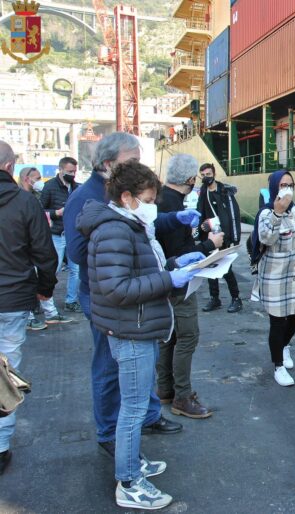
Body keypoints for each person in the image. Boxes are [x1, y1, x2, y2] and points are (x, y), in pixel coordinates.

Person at [77, 159, 203, 509]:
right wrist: (169, 280)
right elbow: (117, 287)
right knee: (132, 409)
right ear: (129, 196)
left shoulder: (127, 224)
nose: (153, 206)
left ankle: (131, 463)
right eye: (148, 198)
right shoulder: (115, 229)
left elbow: (139, 269)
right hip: (130, 328)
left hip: (136, 324)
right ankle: (129, 482)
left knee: (131, 405)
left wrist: (178, 265)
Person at [65, 132, 194, 458]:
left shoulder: (123, 200)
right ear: (109, 164)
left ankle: (149, 415)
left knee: (142, 360)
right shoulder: (86, 199)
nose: (139, 167)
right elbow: (81, 254)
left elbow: (143, 222)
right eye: (132, 161)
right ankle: (110, 432)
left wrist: (174, 219)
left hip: (137, 293)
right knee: (110, 365)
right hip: (107, 298)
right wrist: (129, 254)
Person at [0, 141, 58, 476]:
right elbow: (44, 252)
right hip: (11, 299)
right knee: (6, 374)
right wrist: (44, 289)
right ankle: (1, 444)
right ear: (9, 168)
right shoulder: (24, 202)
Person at [156, 154, 221, 417]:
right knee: (187, 336)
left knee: (169, 336)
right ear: (191, 179)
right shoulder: (175, 207)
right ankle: (182, 397)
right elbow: (181, 251)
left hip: (163, 280)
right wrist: (210, 246)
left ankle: (165, 389)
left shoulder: (161, 199)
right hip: (179, 283)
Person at [256, 170, 295, 387]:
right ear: (274, 187)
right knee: (278, 322)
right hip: (275, 278)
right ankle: (278, 365)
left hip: (294, 277)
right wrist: (277, 213)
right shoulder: (266, 214)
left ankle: (284, 345)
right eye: (282, 185)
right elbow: (266, 238)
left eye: (290, 185)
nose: (287, 189)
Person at [197, 163, 242, 313]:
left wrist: (235, 238)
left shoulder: (224, 192)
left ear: (214, 174)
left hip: (225, 236)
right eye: (203, 175)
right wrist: (200, 228)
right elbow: (200, 212)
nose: (206, 178)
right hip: (210, 236)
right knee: (211, 267)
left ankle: (236, 298)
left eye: (208, 174)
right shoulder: (203, 193)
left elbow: (234, 215)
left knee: (226, 268)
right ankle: (214, 298)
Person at [40, 157, 81, 314]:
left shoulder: (76, 187)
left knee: (75, 269)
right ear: (61, 170)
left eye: (74, 171)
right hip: (57, 234)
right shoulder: (50, 186)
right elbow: (40, 210)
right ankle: (44, 301)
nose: (73, 174)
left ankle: (71, 301)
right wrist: (56, 213)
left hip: (72, 234)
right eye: (70, 171)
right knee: (53, 269)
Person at [17, 167, 48, 332]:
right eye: (37, 178)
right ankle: (28, 317)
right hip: (25, 248)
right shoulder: (21, 199)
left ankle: (35, 313)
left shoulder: (33, 197)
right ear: (27, 179)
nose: (40, 181)